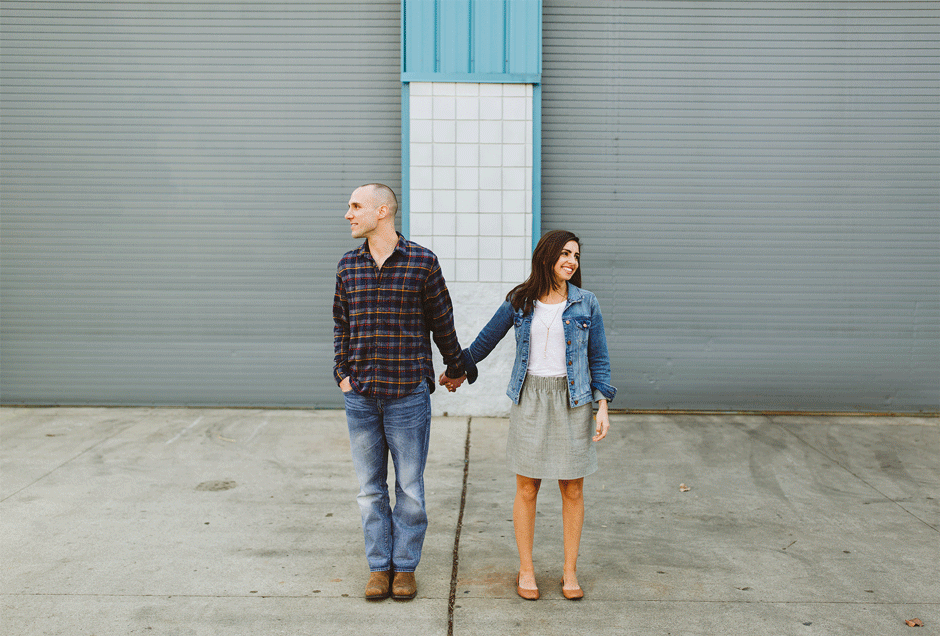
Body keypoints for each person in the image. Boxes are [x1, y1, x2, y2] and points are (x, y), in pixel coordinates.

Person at [441, 229, 615, 601]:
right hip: (531, 396)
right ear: (546, 257)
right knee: (527, 486)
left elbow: (598, 357)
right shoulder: (520, 301)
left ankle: (569, 572)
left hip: (574, 400)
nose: (572, 261)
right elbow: (485, 341)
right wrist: (458, 370)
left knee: (572, 487)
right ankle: (527, 568)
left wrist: (602, 405)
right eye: (565, 254)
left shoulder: (587, 303)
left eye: (576, 256)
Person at [333, 183, 467, 601]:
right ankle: (378, 568)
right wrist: (342, 374)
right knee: (369, 488)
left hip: (407, 394)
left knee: (409, 487)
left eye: (356, 206)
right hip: (361, 394)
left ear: (383, 210)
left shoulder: (422, 263)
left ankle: (404, 567)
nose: (348, 214)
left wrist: (455, 367)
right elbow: (341, 324)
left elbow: (441, 321)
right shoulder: (348, 266)